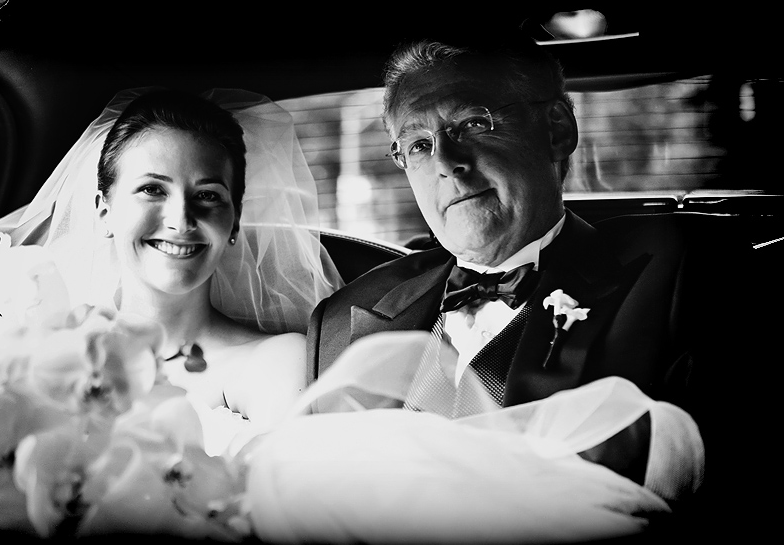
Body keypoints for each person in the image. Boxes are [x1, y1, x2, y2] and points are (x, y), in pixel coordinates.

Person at [306, 30, 756, 528]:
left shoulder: (679, 272)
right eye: (417, 145)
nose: (446, 163)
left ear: (557, 129)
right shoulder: (341, 319)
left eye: (473, 123)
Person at [0, 87, 344, 440]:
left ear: (234, 221)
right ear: (103, 211)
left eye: (207, 196)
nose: (181, 221)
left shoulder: (273, 362)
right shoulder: (44, 350)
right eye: (152, 190)